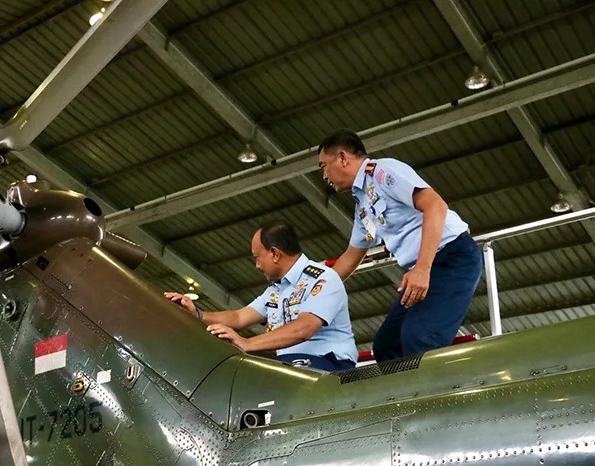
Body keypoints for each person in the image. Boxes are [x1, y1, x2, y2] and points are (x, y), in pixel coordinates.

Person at [317, 129, 483, 362]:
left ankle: (439, 387)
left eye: (324, 166)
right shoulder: (362, 203)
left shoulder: (383, 171)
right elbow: (350, 258)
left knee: (420, 337)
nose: (324, 176)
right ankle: (404, 387)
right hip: (427, 267)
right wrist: (312, 295)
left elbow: (435, 205)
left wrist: (422, 269)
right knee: (387, 345)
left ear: (343, 157)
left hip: (451, 258)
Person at [164, 220, 358, 371]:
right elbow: (239, 317)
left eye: (257, 257)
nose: (257, 265)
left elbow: (304, 328)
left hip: (329, 365)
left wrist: (246, 343)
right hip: (292, 365)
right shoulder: (276, 290)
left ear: (274, 253)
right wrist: (197, 313)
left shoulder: (323, 279)